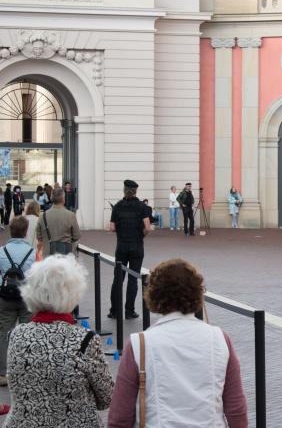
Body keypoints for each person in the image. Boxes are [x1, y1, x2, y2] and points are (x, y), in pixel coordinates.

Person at [108, 259, 247, 427]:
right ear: (197, 293)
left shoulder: (139, 344)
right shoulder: (220, 338)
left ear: (153, 295)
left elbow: (120, 416)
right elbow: (236, 408)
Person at [5, 255, 114, 427]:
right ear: (73, 294)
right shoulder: (84, 340)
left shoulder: (15, 335)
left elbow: (17, 387)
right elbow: (107, 397)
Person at [0, 217, 36, 387]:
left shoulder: (2, 251)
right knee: (27, 333)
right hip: (26, 296)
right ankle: (26, 371)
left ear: (11, 231)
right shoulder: (32, 252)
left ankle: (2, 373)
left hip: (5, 297)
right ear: (25, 231)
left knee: (3, 333)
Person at [109, 180, 151, 320]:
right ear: (136, 191)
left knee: (118, 279)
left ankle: (114, 311)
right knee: (133, 279)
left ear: (124, 190)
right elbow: (148, 227)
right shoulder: (141, 207)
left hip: (121, 247)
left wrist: (120, 233)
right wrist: (141, 235)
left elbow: (112, 228)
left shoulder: (118, 206)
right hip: (137, 246)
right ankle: (129, 311)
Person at [35, 187, 81, 257]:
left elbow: (39, 237)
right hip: (65, 255)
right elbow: (77, 236)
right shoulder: (71, 215)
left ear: (51, 198)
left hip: (48, 256)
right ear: (63, 200)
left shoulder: (42, 216)